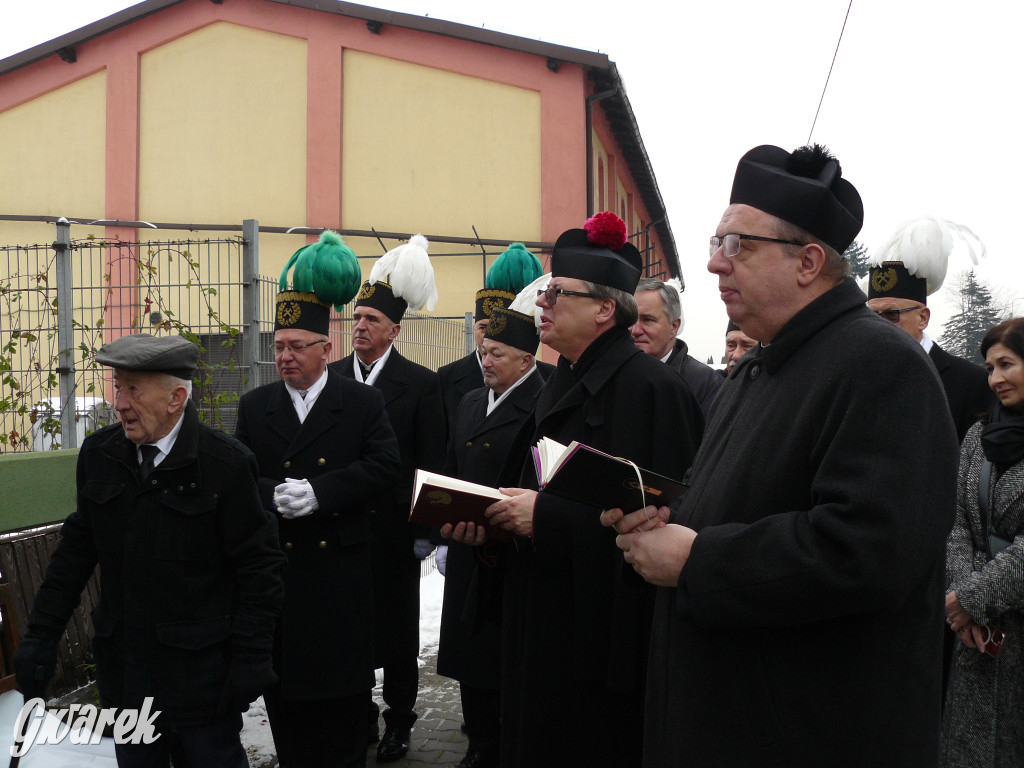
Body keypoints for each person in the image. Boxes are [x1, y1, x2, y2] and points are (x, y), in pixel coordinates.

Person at [605, 144, 960, 767]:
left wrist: (698, 558)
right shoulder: (758, 368)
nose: (715, 263)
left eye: (737, 244)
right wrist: (659, 517)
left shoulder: (881, 365)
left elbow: (868, 551)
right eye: (717, 242)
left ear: (809, 262)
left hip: (809, 734)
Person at [448, 211, 704, 768]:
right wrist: (488, 523)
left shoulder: (653, 391)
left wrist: (546, 518)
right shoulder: (558, 380)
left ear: (604, 309)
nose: (541, 302)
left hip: (599, 650)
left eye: (556, 292)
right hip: (535, 624)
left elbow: (667, 526)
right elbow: (528, 487)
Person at [13, 333, 286, 768]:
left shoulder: (225, 465)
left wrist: (252, 658)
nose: (119, 402)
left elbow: (260, 569)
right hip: (127, 676)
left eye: (133, 388)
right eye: (118, 386)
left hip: (202, 681)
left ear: (177, 397)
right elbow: (76, 553)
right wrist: (41, 638)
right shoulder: (101, 455)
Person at [235, 231, 401, 768]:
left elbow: (384, 466)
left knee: (345, 704)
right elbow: (238, 476)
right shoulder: (256, 406)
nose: (284, 356)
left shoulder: (361, 401)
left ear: (325, 349)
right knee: (288, 702)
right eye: (278, 346)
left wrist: (321, 494)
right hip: (281, 572)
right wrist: (273, 495)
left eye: (296, 346)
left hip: (342, 574)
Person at [328, 235, 446, 763]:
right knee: (348, 628)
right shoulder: (331, 380)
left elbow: (429, 460)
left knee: (398, 634)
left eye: (371, 321)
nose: (359, 328)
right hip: (344, 525)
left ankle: (400, 720)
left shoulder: (419, 385)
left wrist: (425, 530)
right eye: (356, 320)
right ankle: (358, 719)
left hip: (396, 529)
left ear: (394, 331)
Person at [437, 279, 548, 768]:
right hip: (465, 546)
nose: (485, 361)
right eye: (483, 352)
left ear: (526, 360)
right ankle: (479, 743)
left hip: (510, 554)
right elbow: (448, 469)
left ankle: (507, 745)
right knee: (468, 654)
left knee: (505, 657)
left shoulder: (543, 406)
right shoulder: (467, 402)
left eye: (497, 354)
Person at [941, 317, 1024, 767]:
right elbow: (957, 525)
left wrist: (971, 597)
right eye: (989, 368)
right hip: (977, 639)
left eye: (1006, 364)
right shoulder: (978, 436)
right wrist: (959, 601)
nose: (994, 379)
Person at [865, 216, 993, 441]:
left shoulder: (971, 383)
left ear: (923, 318)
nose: (879, 327)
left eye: (891, 315)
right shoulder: (856, 377)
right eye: (871, 316)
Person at [437, 242, 546, 440]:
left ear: (525, 361)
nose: (487, 336)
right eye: (482, 328)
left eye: (497, 354)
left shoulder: (548, 380)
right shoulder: (448, 377)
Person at [631, 277, 722, 415]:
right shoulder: (613, 374)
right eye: (630, 319)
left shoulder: (705, 383)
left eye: (647, 320)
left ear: (674, 326)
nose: (635, 330)